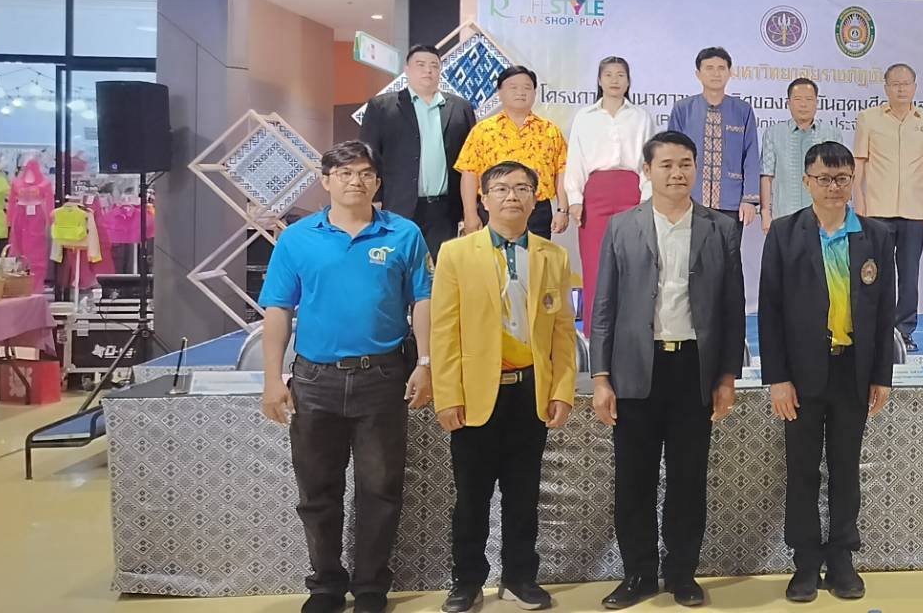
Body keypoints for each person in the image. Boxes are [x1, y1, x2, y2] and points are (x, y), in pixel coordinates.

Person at [257, 141, 433, 613]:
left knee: (379, 489)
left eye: (366, 173)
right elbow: (278, 309)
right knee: (318, 492)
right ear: (326, 180)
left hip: (383, 377)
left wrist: (426, 363)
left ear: (378, 181)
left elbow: (423, 300)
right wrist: (272, 379)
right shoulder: (297, 238)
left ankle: (372, 586)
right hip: (315, 382)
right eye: (346, 173)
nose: (357, 181)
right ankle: (326, 586)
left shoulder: (404, 234)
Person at [590, 131, 746, 610]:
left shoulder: (720, 228)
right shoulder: (622, 227)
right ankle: (638, 574)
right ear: (648, 171)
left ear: (696, 168)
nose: (677, 173)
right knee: (633, 480)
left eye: (685, 164)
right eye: (667, 165)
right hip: (636, 368)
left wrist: (727, 376)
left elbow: (732, 308)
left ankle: (682, 574)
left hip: (693, 368)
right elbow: (604, 306)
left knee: (687, 479)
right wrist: (600, 377)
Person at [431, 161, 577, 613]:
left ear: (536, 199)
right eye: (501, 188)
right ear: (483, 199)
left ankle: (519, 578)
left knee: (524, 494)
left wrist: (562, 390)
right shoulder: (456, 254)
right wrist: (448, 395)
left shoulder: (552, 257)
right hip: (476, 394)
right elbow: (443, 331)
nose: (512, 196)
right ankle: (467, 582)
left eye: (522, 188)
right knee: (471, 497)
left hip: (529, 392)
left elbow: (562, 332)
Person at [759, 141, 897, 603]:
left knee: (845, 468)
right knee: (802, 470)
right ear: (807, 182)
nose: (833, 187)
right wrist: (778, 378)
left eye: (841, 179)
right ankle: (804, 562)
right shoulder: (785, 233)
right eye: (824, 179)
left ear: (852, 180)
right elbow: (769, 312)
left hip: (852, 371)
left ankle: (841, 558)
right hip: (800, 376)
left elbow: (885, 310)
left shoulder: (875, 236)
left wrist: (882, 375)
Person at [359, 45, 478, 258]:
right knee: (397, 263)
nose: (428, 70)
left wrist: (471, 209)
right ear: (407, 69)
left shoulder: (461, 108)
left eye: (434, 65)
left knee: (441, 267)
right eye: (420, 65)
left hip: (445, 209)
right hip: (397, 205)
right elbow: (368, 157)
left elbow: (472, 161)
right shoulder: (382, 107)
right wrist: (372, 199)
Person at [853, 64, 923, 352]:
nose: (901, 89)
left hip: (914, 209)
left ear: (915, 87)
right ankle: (876, 329)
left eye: (906, 83)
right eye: (895, 84)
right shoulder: (868, 118)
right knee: (875, 273)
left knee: (909, 273)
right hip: (877, 208)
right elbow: (860, 162)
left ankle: (904, 331)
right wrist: (859, 200)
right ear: (886, 88)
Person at [564, 56, 654, 336]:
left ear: (628, 81)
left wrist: (647, 198)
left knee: (634, 263)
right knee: (595, 264)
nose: (615, 80)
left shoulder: (641, 116)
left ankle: (633, 330)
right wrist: (575, 199)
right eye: (609, 75)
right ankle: (596, 333)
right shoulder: (585, 116)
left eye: (620, 75)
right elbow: (575, 159)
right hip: (595, 195)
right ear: (599, 80)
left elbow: (649, 162)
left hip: (632, 192)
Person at [455, 66, 569, 239]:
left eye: (527, 87)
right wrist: (470, 213)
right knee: (492, 256)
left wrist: (562, 210)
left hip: (536, 211)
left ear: (535, 93)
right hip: (493, 208)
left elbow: (562, 172)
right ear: (500, 93)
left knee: (535, 256)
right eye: (513, 87)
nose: (520, 92)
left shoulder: (550, 131)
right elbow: (469, 173)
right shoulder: (483, 130)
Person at [667, 46, 762, 227]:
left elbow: (751, 156)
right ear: (698, 74)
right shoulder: (683, 109)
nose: (716, 73)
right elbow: (672, 155)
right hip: (690, 199)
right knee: (691, 246)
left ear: (730, 73)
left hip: (731, 201)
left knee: (729, 246)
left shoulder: (743, 110)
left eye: (721, 68)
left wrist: (749, 200)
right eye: (709, 68)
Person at [761, 78, 845, 230]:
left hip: (824, 218)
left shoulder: (831, 133)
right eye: (798, 99)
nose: (803, 104)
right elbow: (767, 176)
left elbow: (840, 176)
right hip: (785, 217)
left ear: (817, 103)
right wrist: (765, 213)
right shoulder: (774, 133)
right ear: (788, 103)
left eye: (809, 99)